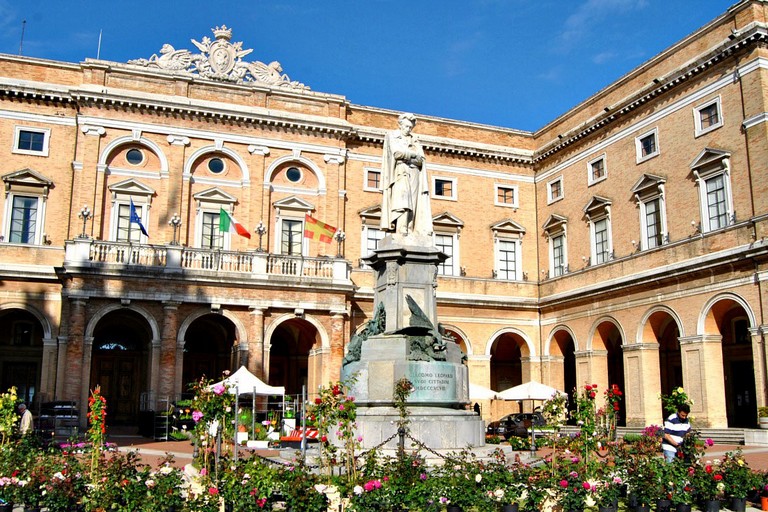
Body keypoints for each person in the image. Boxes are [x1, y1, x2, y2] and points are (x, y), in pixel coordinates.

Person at [380, 113, 433, 238]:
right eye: (406, 126)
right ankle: (401, 228)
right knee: (402, 200)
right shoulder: (393, 136)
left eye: (410, 127)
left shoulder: (415, 140)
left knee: (413, 202)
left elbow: (421, 160)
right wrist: (412, 155)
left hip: (414, 172)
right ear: (400, 125)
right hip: (400, 171)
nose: (408, 129)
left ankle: (410, 229)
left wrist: (408, 156)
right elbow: (396, 153)